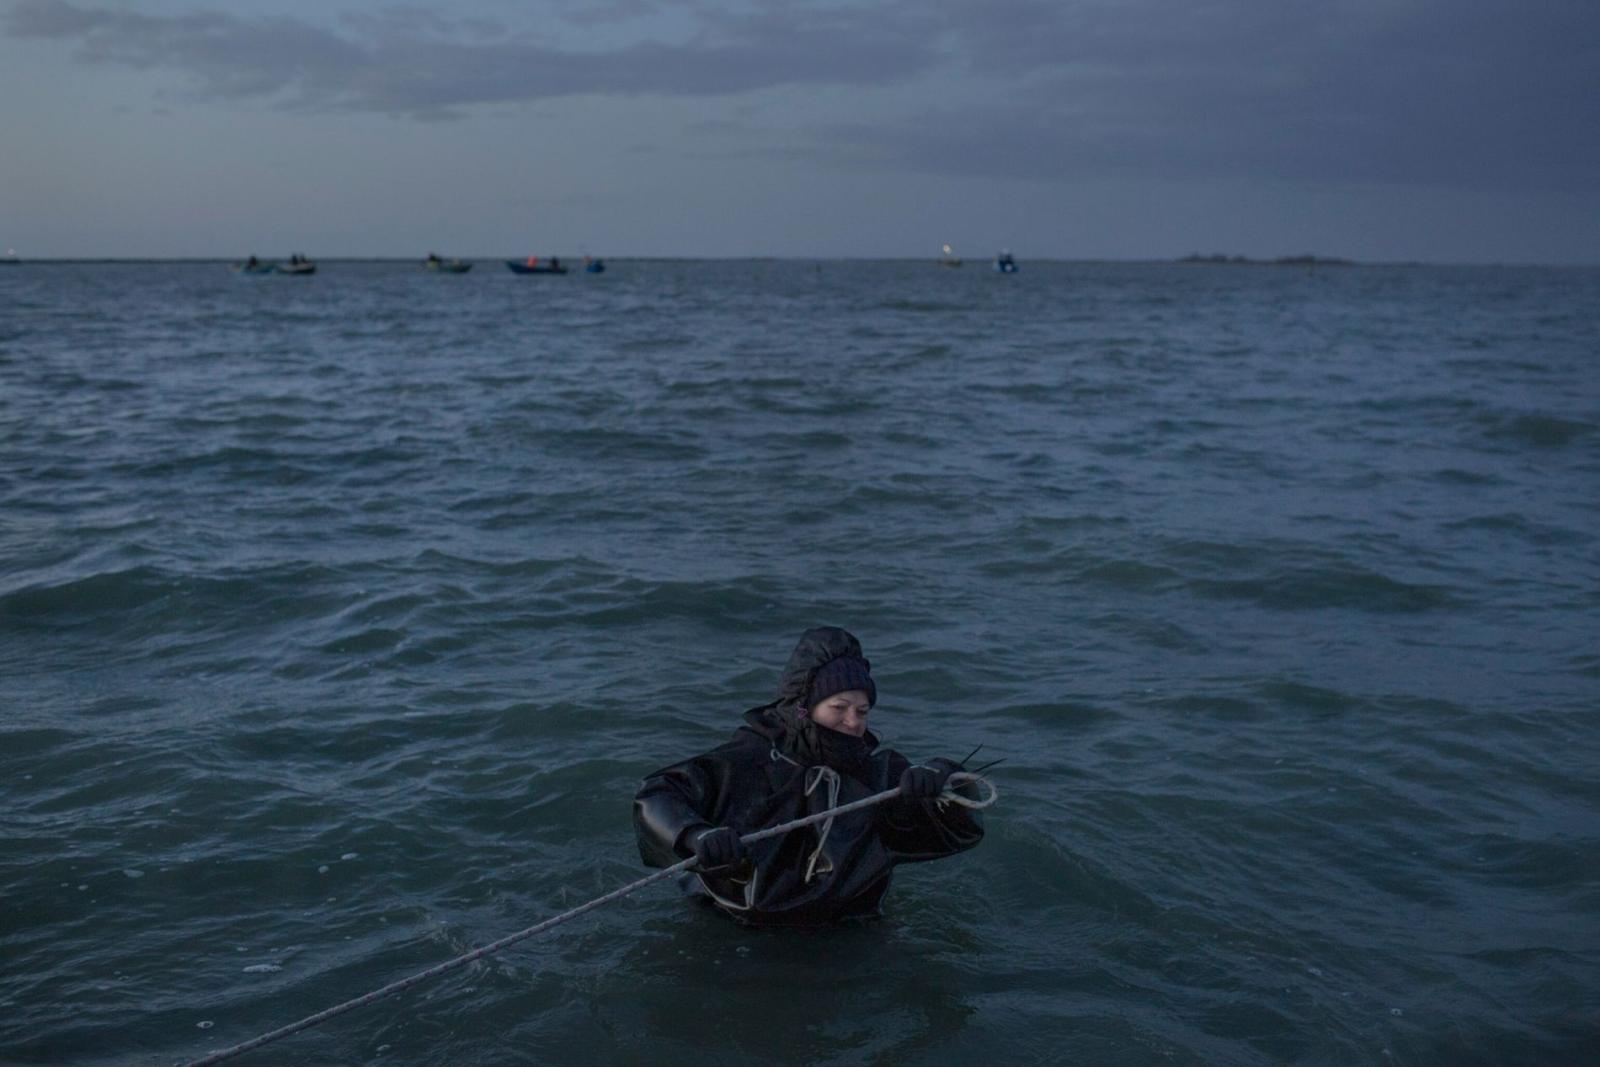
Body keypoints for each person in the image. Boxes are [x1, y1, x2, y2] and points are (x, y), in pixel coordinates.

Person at [633, 626, 984, 926]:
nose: (853, 721)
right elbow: (658, 794)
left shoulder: (879, 773)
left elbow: (961, 826)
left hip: (848, 929)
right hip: (736, 928)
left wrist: (940, 777)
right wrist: (696, 836)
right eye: (839, 707)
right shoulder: (745, 760)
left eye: (862, 710)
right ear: (803, 707)